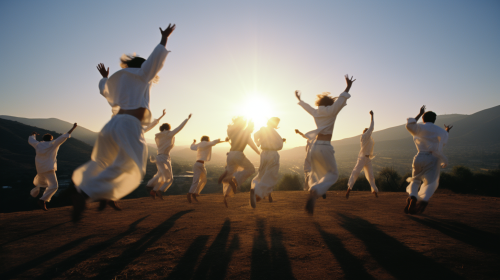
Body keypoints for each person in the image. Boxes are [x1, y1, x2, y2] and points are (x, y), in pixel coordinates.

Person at [71, 23, 176, 222]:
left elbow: (104, 90)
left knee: (104, 161)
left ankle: (106, 195)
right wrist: (164, 39)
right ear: (143, 66)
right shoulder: (144, 75)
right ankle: (84, 194)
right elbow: (155, 60)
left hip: (111, 126)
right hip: (129, 125)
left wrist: (104, 78)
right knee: (132, 165)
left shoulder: (118, 79)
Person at [296, 74, 355, 215]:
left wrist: (299, 99)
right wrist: (348, 86)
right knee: (333, 174)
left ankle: (314, 188)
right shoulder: (332, 110)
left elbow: (307, 107)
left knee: (316, 173)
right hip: (325, 146)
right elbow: (341, 100)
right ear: (329, 103)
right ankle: (316, 190)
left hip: (314, 147)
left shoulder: (316, 112)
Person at [404, 105, 452, 214]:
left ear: (423, 119)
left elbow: (410, 124)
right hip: (433, 158)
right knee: (431, 182)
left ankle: (413, 197)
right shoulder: (440, 131)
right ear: (434, 120)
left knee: (415, 180)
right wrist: (446, 131)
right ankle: (424, 199)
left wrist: (420, 113)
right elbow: (443, 141)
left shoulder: (419, 128)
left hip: (419, 156)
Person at [29, 123, 78, 211]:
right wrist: (73, 128)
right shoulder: (53, 143)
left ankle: (39, 195)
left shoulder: (38, 145)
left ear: (43, 139)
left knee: (44, 184)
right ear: (51, 139)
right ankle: (42, 200)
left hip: (40, 169)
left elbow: (31, 140)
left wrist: (33, 134)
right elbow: (64, 136)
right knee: (54, 186)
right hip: (48, 168)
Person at [146, 113, 192, 199]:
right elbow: (179, 128)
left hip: (159, 157)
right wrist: (187, 119)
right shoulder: (169, 134)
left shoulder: (158, 136)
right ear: (168, 128)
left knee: (160, 175)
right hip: (164, 158)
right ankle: (158, 189)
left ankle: (153, 190)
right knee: (169, 179)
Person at [218, 117, 260, 208]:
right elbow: (253, 146)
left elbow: (235, 138)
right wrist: (260, 153)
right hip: (238, 154)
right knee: (251, 169)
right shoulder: (246, 133)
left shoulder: (232, 132)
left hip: (230, 155)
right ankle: (235, 178)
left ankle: (226, 196)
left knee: (230, 174)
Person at [250, 117, 285, 208]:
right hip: (272, 154)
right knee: (271, 175)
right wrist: (281, 142)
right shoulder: (273, 132)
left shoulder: (263, 129)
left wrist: (258, 142)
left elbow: (255, 136)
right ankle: (258, 191)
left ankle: (256, 188)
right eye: (277, 123)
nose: (277, 124)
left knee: (262, 173)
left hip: (263, 153)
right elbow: (279, 145)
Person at [346, 110, 379, 199]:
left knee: (371, 175)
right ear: (365, 132)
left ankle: (374, 191)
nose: (369, 132)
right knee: (355, 172)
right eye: (367, 131)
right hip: (362, 158)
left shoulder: (368, 138)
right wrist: (372, 115)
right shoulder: (364, 137)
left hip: (367, 159)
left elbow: (371, 129)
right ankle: (349, 189)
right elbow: (371, 127)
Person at [187, 136, 226, 203]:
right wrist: (224, 141)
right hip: (199, 165)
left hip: (199, 165)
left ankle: (195, 193)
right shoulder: (207, 143)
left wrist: (194, 142)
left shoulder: (199, 144)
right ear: (207, 140)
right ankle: (190, 194)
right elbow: (215, 142)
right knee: (198, 181)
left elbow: (192, 147)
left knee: (203, 180)